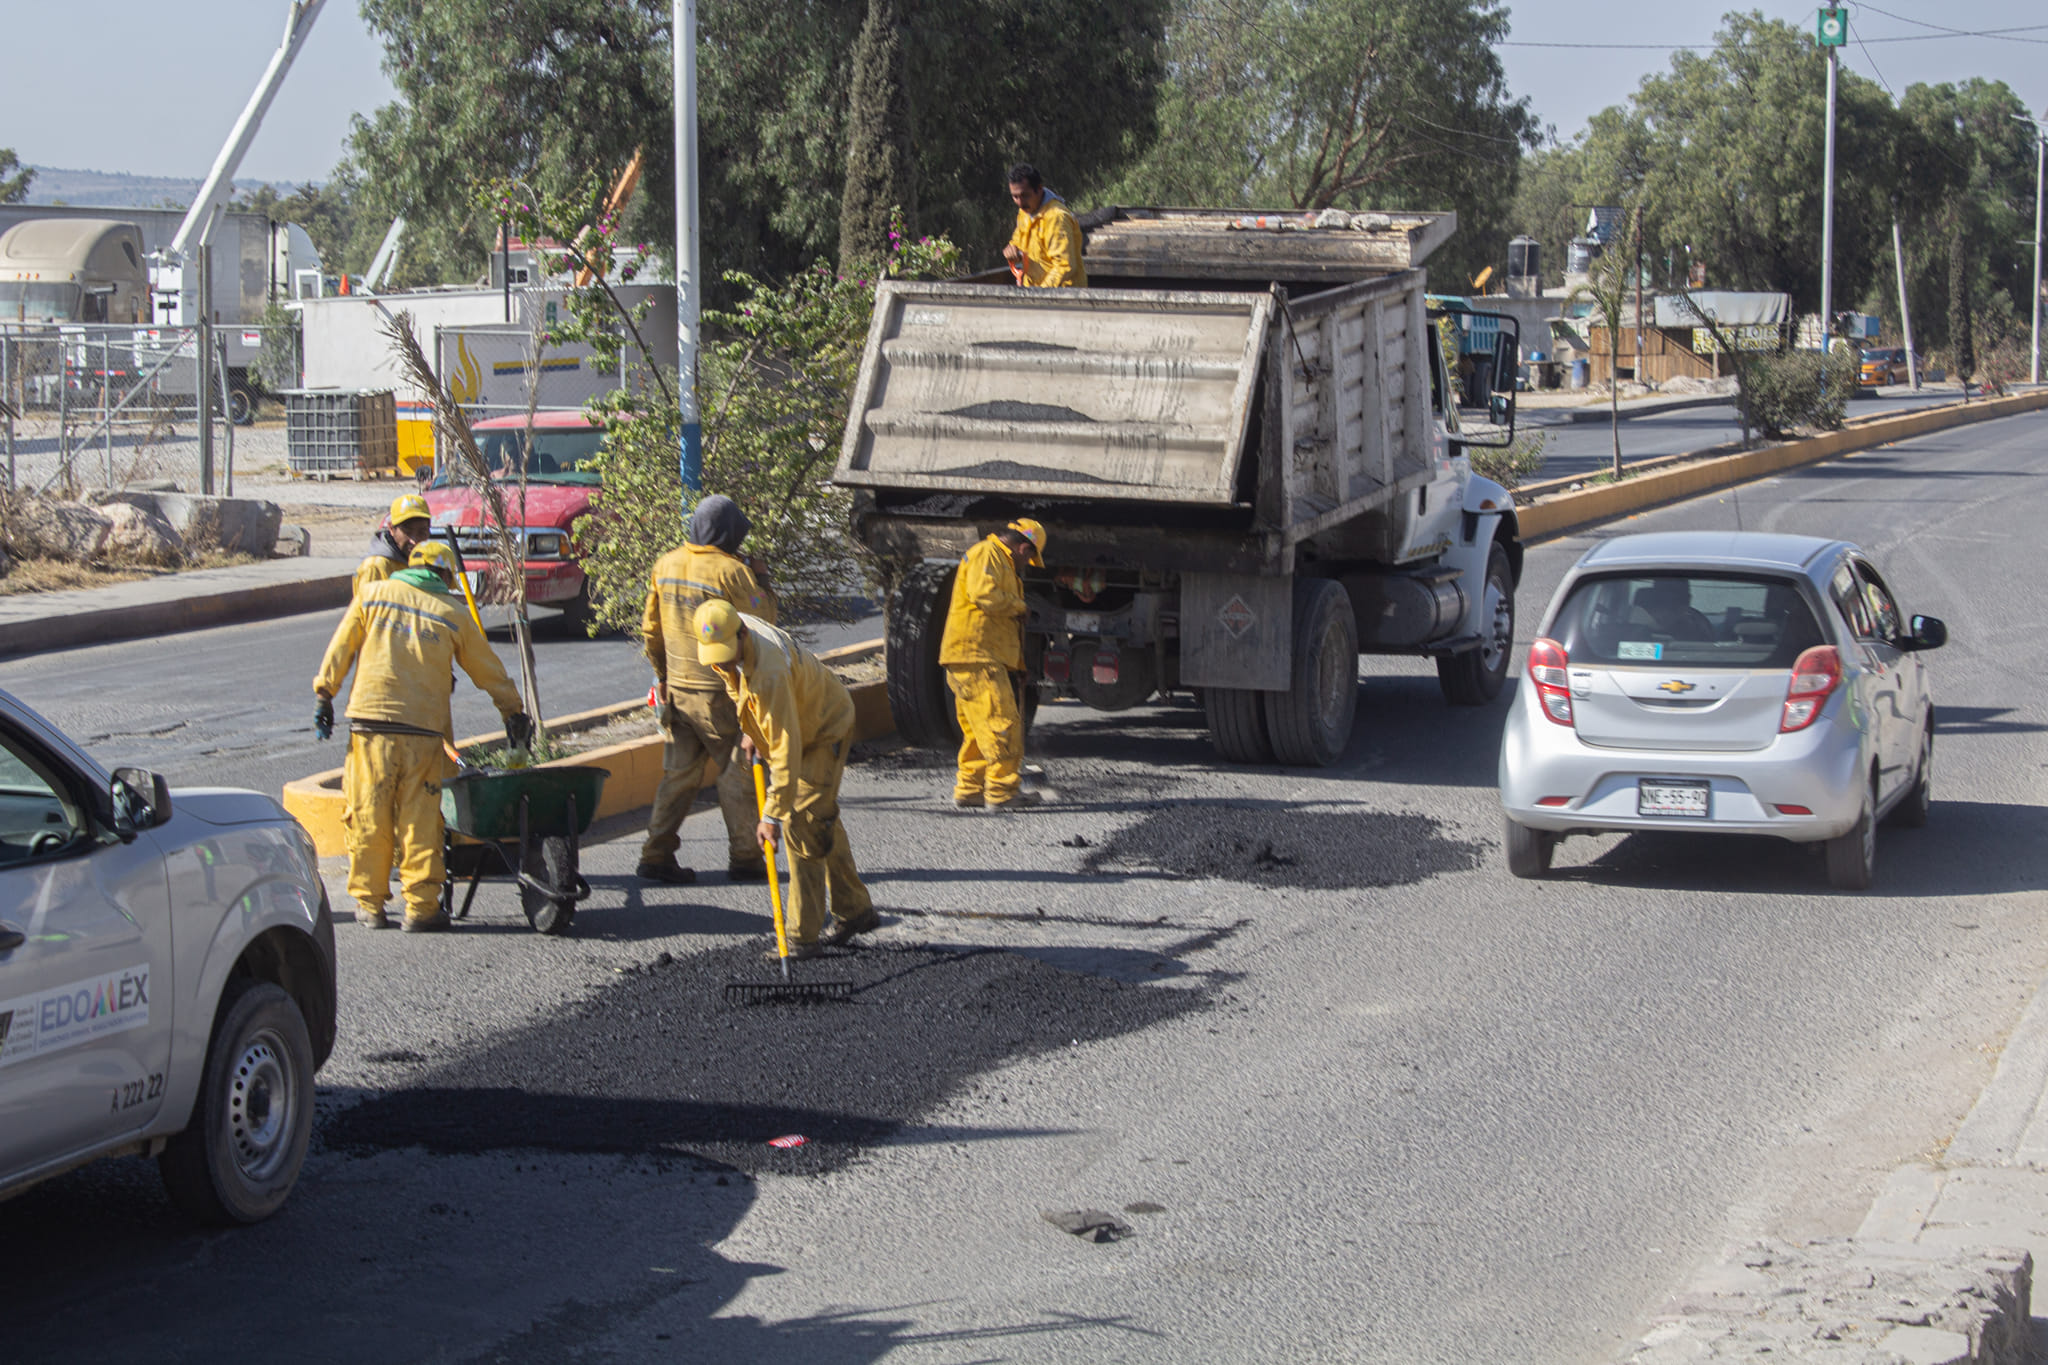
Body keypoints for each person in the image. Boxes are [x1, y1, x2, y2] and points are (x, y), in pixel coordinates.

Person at [314, 540, 531, 932]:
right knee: (421, 819)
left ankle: (370, 905)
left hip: (370, 725)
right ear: (446, 575)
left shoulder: (373, 594)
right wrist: (513, 711)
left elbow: (341, 645)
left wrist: (324, 693)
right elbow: (488, 671)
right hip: (423, 731)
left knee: (369, 815)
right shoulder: (452, 612)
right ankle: (421, 908)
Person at [693, 600, 878, 958]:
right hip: (797, 719)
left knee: (801, 826)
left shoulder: (770, 672)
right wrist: (752, 731)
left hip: (824, 727)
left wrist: (771, 816)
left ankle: (801, 937)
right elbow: (740, 690)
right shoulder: (723, 639)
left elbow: (786, 752)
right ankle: (856, 910)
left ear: (743, 634)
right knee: (819, 818)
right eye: (717, 657)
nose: (722, 663)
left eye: (728, 655)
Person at [637, 494, 778, 886]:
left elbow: (651, 630)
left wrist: (662, 675)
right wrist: (762, 578)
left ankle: (656, 854)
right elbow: (763, 616)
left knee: (678, 775)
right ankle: (747, 857)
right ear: (729, 532)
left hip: (679, 693)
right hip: (722, 695)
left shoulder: (665, 564)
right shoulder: (732, 572)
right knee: (736, 772)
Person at [939, 519, 1045, 811]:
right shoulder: (988, 553)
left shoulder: (1001, 563)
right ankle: (1002, 792)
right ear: (1024, 548)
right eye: (1030, 558)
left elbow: (1001, 629)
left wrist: (1019, 666)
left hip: (972, 657)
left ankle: (970, 788)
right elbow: (983, 595)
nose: (1028, 564)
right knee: (1002, 725)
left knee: (977, 730)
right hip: (977, 657)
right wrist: (1020, 606)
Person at [1002, 163, 1087, 289]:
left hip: (1064, 298)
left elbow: (1064, 266)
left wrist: (1040, 294)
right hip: (1035, 292)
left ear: (1039, 189)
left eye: (1025, 195)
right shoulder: (1025, 213)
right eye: (1015, 197)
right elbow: (1019, 244)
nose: (1020, 202)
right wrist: (1013, 251)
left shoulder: (1056, 217)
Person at [355, 493, 436, 599]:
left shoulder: (420, 561)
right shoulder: (376, 567)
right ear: (391, 529)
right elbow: (369, 611)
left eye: (422, 532)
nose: (414, 540)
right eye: (407, 532)